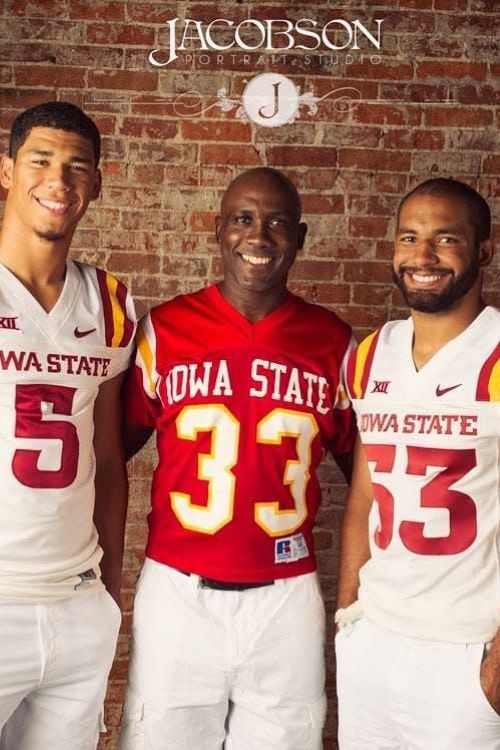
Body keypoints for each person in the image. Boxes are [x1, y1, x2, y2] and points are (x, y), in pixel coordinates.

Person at [119, 167, 356, 749]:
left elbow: (371, 481)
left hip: (287, 596)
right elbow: (108, 454)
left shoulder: (335, 343)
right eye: (244, 220)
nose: (259, 237)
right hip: (178, 591)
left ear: (300, 237)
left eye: (277, 223)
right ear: (217, 229)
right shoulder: (164, 330)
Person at [336, 178, 500, 749]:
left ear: (484, 250)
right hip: (373, 639)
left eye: (445, 238)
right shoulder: (368, 354)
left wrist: (495, 670)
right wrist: (348, 614)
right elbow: (364, 492)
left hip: (467, 650)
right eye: (409, 238)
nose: (422, 257)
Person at [0, 101, 136, 750]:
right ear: (7, 171)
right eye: (42, 161)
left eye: (78, 167)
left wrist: (107, 597)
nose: (60, 180)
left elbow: (107, 459)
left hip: (78, 600)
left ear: (97, 186)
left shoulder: (111, 304)